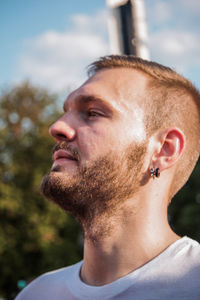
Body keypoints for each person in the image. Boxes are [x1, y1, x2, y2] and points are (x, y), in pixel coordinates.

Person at [15, 55, 200, 300]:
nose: (57, 127)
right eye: (66, 112)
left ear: (163, 150)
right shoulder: (36, 294)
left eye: (92, 113)